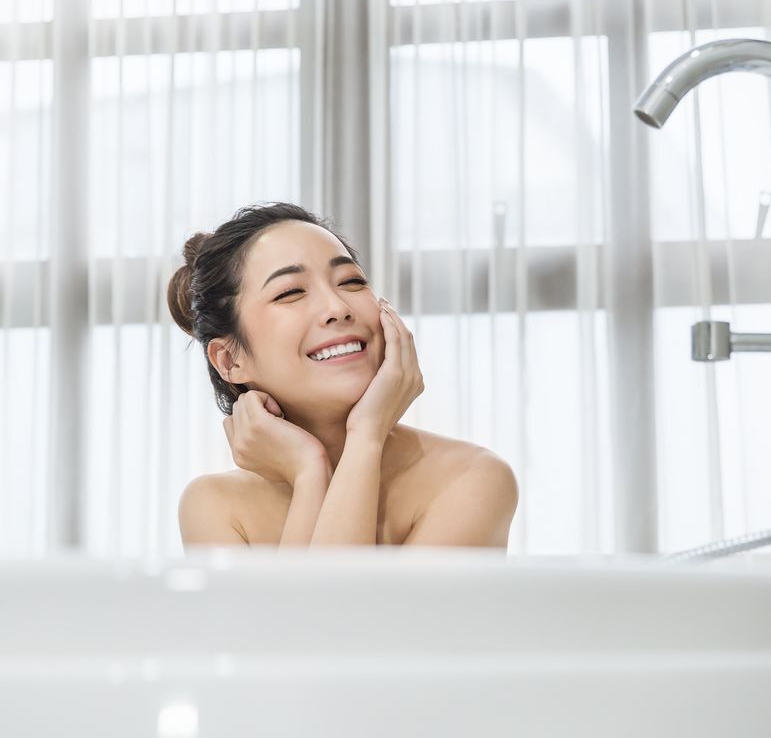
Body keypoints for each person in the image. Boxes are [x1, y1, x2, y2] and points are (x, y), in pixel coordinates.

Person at [167, 202, 518, 548]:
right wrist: (309, 471)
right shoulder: (215, 506)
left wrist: (366, 435)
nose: (338, 308)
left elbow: (338, 590)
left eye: (351, 281)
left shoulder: (472, 478)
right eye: (291, 292)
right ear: (229, 359)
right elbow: (325, 591)